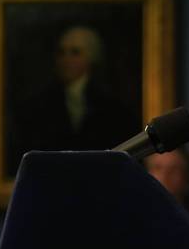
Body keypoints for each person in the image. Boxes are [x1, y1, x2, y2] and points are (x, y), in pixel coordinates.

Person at [9, 26, 137, 174]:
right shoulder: (36, 107)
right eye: (61, 52)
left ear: (91, 57)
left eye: (75, 52)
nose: (66, 59)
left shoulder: (112, 108)